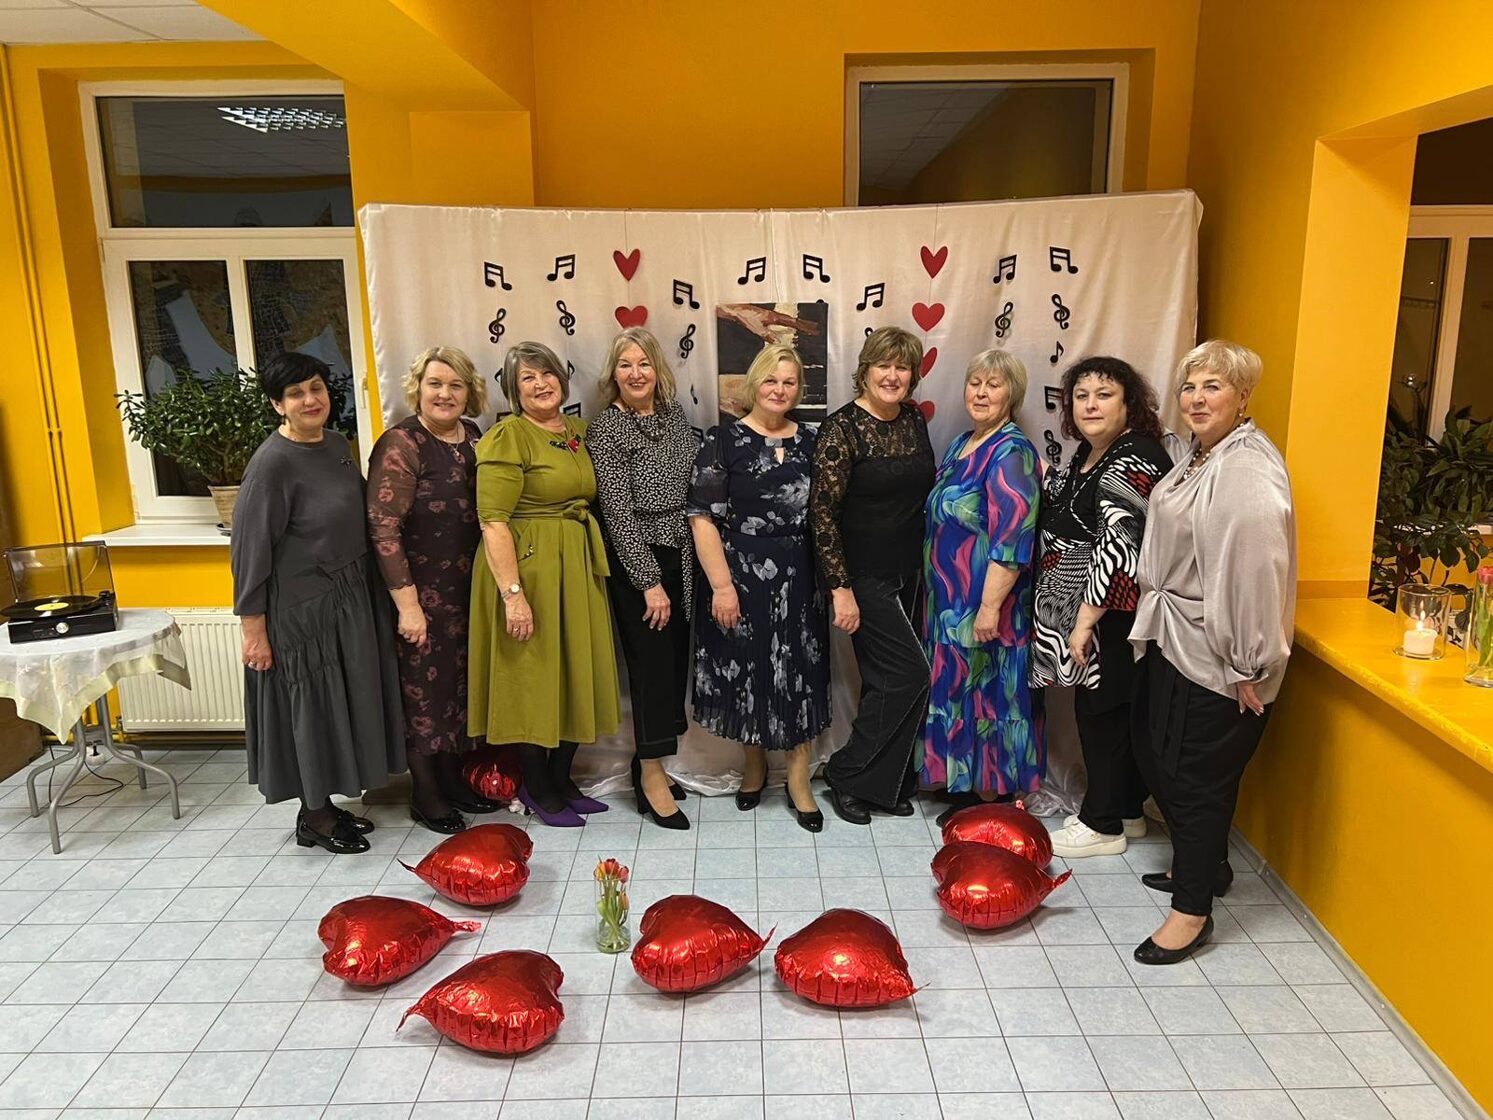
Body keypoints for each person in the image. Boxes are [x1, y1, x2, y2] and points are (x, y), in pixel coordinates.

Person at [1129, 339, 1296, 964]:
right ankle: (1209, 866)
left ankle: (1191, 912)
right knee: (1159, 756)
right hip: (1178, 636)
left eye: (1213, 387)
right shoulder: (1203, 455)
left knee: (1196, 778)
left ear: (1243, 396)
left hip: (1219, 653)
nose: (1197, 399)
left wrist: (1249, 661)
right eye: (1189, 387)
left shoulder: (1245, 466)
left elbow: (1256, 567)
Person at [231, 352, 404, 855]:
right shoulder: (271, 465)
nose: (310, 400)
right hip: (302, 611)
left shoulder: (335, 445)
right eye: (296, 393)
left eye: (316, 388)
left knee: (340, 707)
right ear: (277, 404)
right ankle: (315, 815)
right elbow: (249, 552)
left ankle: (326, 804)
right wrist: (253, 631)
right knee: (311, 710)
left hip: (348, 597)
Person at [468, 341, 620, 827]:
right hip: (529, 569)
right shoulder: (508, 436)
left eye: (547, 373)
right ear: (514, 391)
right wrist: (513, 596)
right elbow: (492, 520)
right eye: (527, 378)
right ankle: (535, 785)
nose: (540, 384)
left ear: (562, 378)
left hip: (575, 564)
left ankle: (561, 777)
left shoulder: (578, 431)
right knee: (533, 677)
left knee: (576, 671)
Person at [1031, 357, 1174, 858]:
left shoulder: (1134, 456)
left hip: (1109, 614)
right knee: (1109, 711)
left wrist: (1085, 622)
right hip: (1087, 611)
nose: (1090, 405)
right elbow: (1068, 505)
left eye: (1104, 395)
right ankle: (1127, 809)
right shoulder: (1092, 452)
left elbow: (1120, 545)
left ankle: (1102, 823)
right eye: (1081, 396)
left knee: (1103, 714)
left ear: (1129, 404)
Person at [690, 344, 829, 832]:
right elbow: (702, 517)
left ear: (799, 389)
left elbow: (828, 514)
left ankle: (798, 778)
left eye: (789, 382)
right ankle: (754, 766)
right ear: (753, 384)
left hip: (801, 574)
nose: (779, 389)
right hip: (739, 574)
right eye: (771, 380)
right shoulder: (722, 441)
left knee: (799, 672)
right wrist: (722, 586)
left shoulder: (814, 440)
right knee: (748, 669)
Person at [367, 346, 502, 834]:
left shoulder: (476, 437)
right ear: (418, 389)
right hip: (421, 593)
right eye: (435, 384)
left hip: (469, 590)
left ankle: (451, 779)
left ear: (470, 392)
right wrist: (408, 606)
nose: (445, 394)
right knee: (422, 693)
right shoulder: (402, 443)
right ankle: (425, 794)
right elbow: (383, 526)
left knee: (456, 690)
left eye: (455, 385)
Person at [809, 326, 936, 825]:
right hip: (862, 576)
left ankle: (883, 784)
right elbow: (822, 514)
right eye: (883, 365)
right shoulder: (842, 428)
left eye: (902, 367)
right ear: (865, 370)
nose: (892, 375)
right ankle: (846, 772)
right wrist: (840, 589)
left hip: (909, 572)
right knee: (911, 674)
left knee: (886, 680)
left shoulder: (913, 420)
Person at [922, 350, 1043, 828]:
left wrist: (990, 607)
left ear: (1012, 394)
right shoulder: (962, 443)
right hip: (951, 600)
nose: (981, 392)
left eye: (993, 384)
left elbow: (1013, 540)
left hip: (988, 602)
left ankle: (995, 798)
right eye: (975, 383)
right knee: (963, 693)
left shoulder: (1011, 452)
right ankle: (972, 787)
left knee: (991, 695)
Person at [586, 327, 696, 830]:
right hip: (640, 559)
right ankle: (651, 776)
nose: (636, 373)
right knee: (650, 669)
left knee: (672, 667)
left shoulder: (674, 415)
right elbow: (616, 512)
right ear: (614, 373)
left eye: (644, 363)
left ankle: (648, 762)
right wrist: (648, 581)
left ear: (658, 369)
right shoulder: (607, 428)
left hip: (683, 554)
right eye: (626, 364)